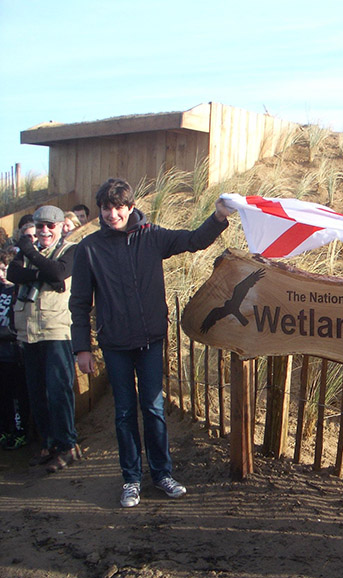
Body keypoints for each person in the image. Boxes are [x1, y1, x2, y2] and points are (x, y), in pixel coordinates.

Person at [69, 178, 231, 508]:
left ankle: (161, 474)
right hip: (114, 343)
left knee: (154, 408)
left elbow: (193, 241)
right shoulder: (89, 248)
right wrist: (82, 348)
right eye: (106, 208)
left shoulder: (152, 236)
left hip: (150, 341)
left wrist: (217, 217)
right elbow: (80, 301)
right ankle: (131, 479)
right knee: (125, 412)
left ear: (130, 208)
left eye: (118, 207)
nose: (112, 214)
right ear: (100, 210)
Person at [7, 205, 81, 471]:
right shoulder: (26, 256)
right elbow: (13, 275)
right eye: (40, 226)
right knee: (37, 392)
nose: (45, 230)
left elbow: (58, 272)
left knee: (58, 390)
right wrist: (41, 274)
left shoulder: (71, 250)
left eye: (51, 225)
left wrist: (28, 252)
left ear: (61, 226)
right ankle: (48, 444)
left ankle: (67, 445)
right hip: (29, 333)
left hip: (56, 330)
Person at [0, 248, 29, 450]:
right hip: (2, 356)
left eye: (4, 269)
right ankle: (5, 430)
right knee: (4, 396)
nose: (1, 275)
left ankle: (22, 431)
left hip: (17, 353)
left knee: (20, 396)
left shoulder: (20, 290)